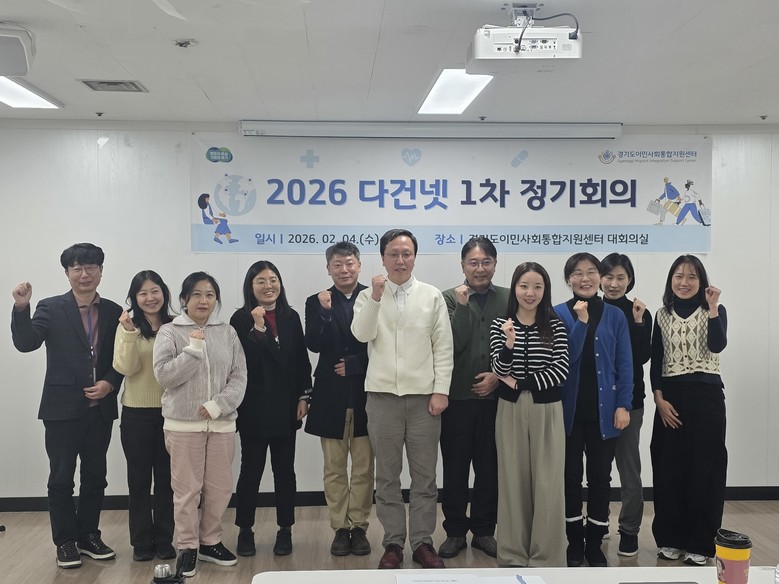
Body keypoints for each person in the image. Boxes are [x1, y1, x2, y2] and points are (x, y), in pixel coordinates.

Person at [11, 243, 123, 569]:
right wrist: (21, 307)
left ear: (101, 271)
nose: (84, 274)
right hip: (61, 409)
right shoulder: (50, 307)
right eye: (77, 268)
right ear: (67, 273)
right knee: (61, 478)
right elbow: (26, 343)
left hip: (100, 409)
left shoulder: (115, 311)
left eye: (90, 267)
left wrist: (110, 382)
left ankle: (88, 535)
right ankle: (66, 541)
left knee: (95, 477)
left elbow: (122, 357)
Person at [351, 228, 453, 570]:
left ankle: (422, 542)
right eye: (393, 254)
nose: (400, 260)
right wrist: (376, 297)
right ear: (382, 258)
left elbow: (443, 347)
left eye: (406, 253)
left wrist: (441, 390)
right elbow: (361, 334)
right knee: (387, 478)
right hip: (382, 399)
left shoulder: (431, 296)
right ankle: (393, 543)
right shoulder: (368, 296)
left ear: (415, 258)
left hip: (425, 400)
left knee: (425, 478)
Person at [153, 272, 247, 578]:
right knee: (187, 490)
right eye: (196, 294)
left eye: (209, 295)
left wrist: (219, 405)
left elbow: (239, 376)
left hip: (221, 424)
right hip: (183, 425)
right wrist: (193, 351)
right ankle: (188, 546)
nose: (203, 300)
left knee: (220, 488)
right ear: (184, 299)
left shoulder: (227, 332)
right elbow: (165, 375)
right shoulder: (170, 331)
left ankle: (210, 542)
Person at [553, 252, 632, 568]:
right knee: (569, 479)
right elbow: (565, 357)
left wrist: (624, 404)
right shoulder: (558, 313)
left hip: (605, 413)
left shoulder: (615, 315)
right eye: (577, 273)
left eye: (591, 272)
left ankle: (595, 543)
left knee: (600, 480)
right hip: (567, 414)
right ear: (568, 279)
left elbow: (624, 364)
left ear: (600, 276)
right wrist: (581, 322)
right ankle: (574, 542)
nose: (584, 278)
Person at [490, 262, 569, 567]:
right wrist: (509, 343)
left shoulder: (555, 324)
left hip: (547, 411)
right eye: (524, 286)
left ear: (545, 290)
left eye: (537, 286)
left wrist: (521, 383)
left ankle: (546, 556)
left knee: (548, 483)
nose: (530, 293)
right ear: (515, 288)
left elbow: (560, 370)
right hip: (509, 410)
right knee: (512, 481)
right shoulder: (501, 324)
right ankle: (513, 554)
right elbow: (499, 369)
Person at [231, 261, 312, 557]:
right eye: (261, 281)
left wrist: (304, 396)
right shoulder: (240, 318)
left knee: (284, 471)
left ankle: (285, 529)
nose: (268, 286)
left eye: (273, 279)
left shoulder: (290, 317)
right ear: (250, 287)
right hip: (253, 407)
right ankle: (245, 530)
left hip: (286, 406)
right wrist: (258, 327)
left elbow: (301, 360)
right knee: (250, 471)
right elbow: (244, 363)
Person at [650, 255, 727, 566]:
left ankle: (701, 544)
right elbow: (656, 360)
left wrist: (712, 308)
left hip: (707, 398)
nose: (684, 282)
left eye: (692, 277)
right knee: (669, 470)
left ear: (701, 281)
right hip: (670, 399)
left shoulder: (715, 310)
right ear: (671, 280)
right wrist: (659, 399)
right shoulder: (661, 314)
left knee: (705, 471)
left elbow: (718, 345)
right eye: (679, 276)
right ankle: (671, 539)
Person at [438, 237, 509, 560]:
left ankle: (483, 531)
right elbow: (453, 344)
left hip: (496, 400)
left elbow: (519, 345)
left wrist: (498, 377)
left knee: (489, 468)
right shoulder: (448, 298)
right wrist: (463, 306)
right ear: (463, 265)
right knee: (455, 468)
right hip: (456, 399)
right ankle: (454, 531)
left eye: (486, 262)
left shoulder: (509, 298)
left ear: (494, 264)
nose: (480, 269)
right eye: (473, 263)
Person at [304, 242, 373, 557]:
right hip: (330, 395)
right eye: (337, 265)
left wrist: (358, 364)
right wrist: (325, 313)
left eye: (349, 263)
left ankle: (359, 526)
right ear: (328, 268)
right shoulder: (316, 301)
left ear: (359, 264)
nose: (344, 270)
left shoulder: (374, 297)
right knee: (333, 468)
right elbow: (314, 344)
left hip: (366, 393)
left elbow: (384, 344)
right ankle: (340, 528)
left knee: (363, 468)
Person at [113, 270, 176, 562]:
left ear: (164, 292)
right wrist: (128, 333)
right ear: (134, 298)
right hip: (136, 414)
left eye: (155, 291)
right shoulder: (128, 326)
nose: (150, 298)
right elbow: (126, 369)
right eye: (143, 293)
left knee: (166, 481)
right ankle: (140, 542)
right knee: (138, 481)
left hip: (172, 414)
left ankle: (164, 539)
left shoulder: (177, 325)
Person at [600, 253, 652, 557]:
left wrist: (638, 322)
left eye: (621, 277)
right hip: (597, 402)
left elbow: (642, 356)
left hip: (630, 400)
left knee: (629, 468)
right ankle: (599, 520)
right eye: (609, 277)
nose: (614, 283)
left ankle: (630, 530)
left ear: (629, 280)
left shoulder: (638, 311)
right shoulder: (590, 309)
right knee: (599, 468)